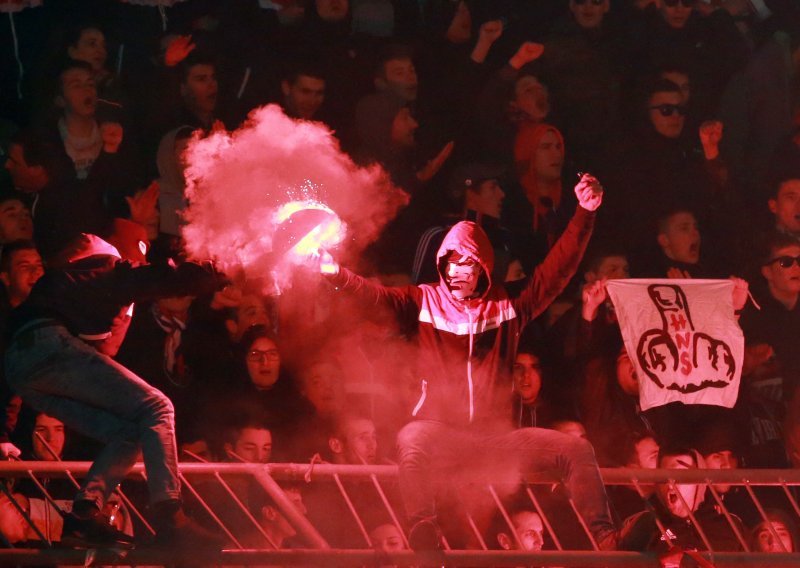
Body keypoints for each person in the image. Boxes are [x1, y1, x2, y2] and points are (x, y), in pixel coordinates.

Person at [312, 174, 615, 552]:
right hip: (443, 435)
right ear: (442, 264)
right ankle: (423, 532)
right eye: (452, 262)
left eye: (469, 263)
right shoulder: (422, 302)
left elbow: (557, 272)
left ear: (484, 269)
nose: (458, 271)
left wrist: (585, 212)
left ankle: (607, 538)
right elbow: (373, 298)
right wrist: (334, 273)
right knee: (412, 437)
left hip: (498, 439)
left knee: (576, 449)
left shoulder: (508, 306)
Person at [4, 233, 222, 549]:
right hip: (48, 348)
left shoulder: (53, 293)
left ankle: (83, 516)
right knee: (158, 408)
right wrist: (209, 273)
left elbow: (95, 346)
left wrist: (3, 433)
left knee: (132, 430)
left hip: (23, 372)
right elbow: (144, 279)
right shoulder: (98, 265)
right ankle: (171, 518)